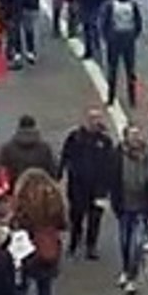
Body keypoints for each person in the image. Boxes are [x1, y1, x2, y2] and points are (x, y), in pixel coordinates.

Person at [108, 123, 148, 295]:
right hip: (124, 205)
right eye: (132, 135)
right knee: (124, 241)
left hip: (144, 206)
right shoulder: (117, 155)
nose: (136, 138)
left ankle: (132, 277)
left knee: (137, 243)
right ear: (125, 137)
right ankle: (126, 268)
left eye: (138, 134)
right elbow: (110, 177)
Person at [59, 107, 115, 260]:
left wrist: (109, 186)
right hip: (77, 185)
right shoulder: (75, 137)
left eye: (98, 118)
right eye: (92, 118)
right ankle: (74, 242)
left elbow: (111, 163)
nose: (95, 121)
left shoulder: (105, 140)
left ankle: (92, 246)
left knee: (95, 218)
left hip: (98, 187)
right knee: (76, 215)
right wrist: (59, 175)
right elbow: (65, 156)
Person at [12, 169, 69, 295]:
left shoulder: (22, 196)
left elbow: (17, 219)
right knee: (45, 288)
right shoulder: (54, 197)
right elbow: (62, 222)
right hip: (48, 245)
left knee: (22, 286)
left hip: (26, 246)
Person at [100, 0, 143, 107]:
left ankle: (132, 98)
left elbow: (138, 21)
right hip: (117, 39)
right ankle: (111, 97)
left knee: (130, 71)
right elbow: (103, 23)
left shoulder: (131, 4)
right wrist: (108, 37)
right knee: (113, 71)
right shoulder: (110, 5)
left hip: (127, 39)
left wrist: (134, 35)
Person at [0, 114, 59, 183]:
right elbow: (54, 173)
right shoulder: (45, 148)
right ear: (35, 127)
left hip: (14, 191)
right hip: (39, 190)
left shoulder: (7, 149)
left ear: (18, 128)